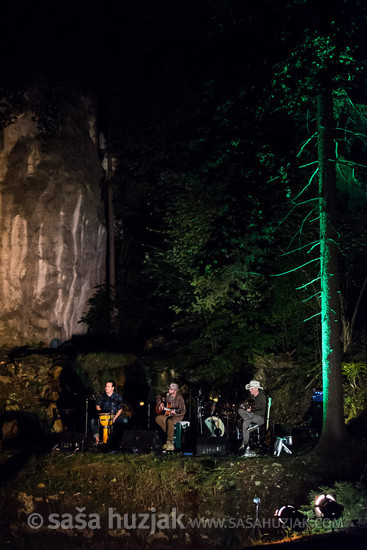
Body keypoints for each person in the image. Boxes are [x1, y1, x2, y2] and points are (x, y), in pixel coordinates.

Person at [91, 380, 127, 445]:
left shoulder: (117, 396)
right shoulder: (103, 396)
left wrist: (114, 418)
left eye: (108, 386)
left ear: (113, 388)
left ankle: (120, 441)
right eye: (106, 386)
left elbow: (120, 409)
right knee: (93, 421)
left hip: (115, 416)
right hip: (104, 416)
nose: (106, 388)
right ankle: (98, 441)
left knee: (125, 420)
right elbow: (97, 406)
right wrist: (101, 414)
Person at [237, 380, 266, 457]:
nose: (250, 390)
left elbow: (261, 410)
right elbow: (244, 404)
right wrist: (243, 406)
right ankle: (244, 445)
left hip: (259, 418)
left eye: (251, 389)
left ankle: (244, 445)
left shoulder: (262, 397)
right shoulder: (251, 397)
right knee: (244, 421)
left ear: (256, 389)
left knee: (247, 419)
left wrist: (251, 411)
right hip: (250, 418)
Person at [155, 383, 186, 451]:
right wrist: (161, 404)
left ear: (175, 391)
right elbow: (160, 398)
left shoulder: (180, 398)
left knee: (170, 421)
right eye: (169, 389)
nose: (169, 391)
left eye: (171, 390)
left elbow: (183, 411)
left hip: (178, 416)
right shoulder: (168, 396)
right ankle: (168, 435)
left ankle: (169, 441)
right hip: (169, 415)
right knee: (158, 418)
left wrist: (176, 412)